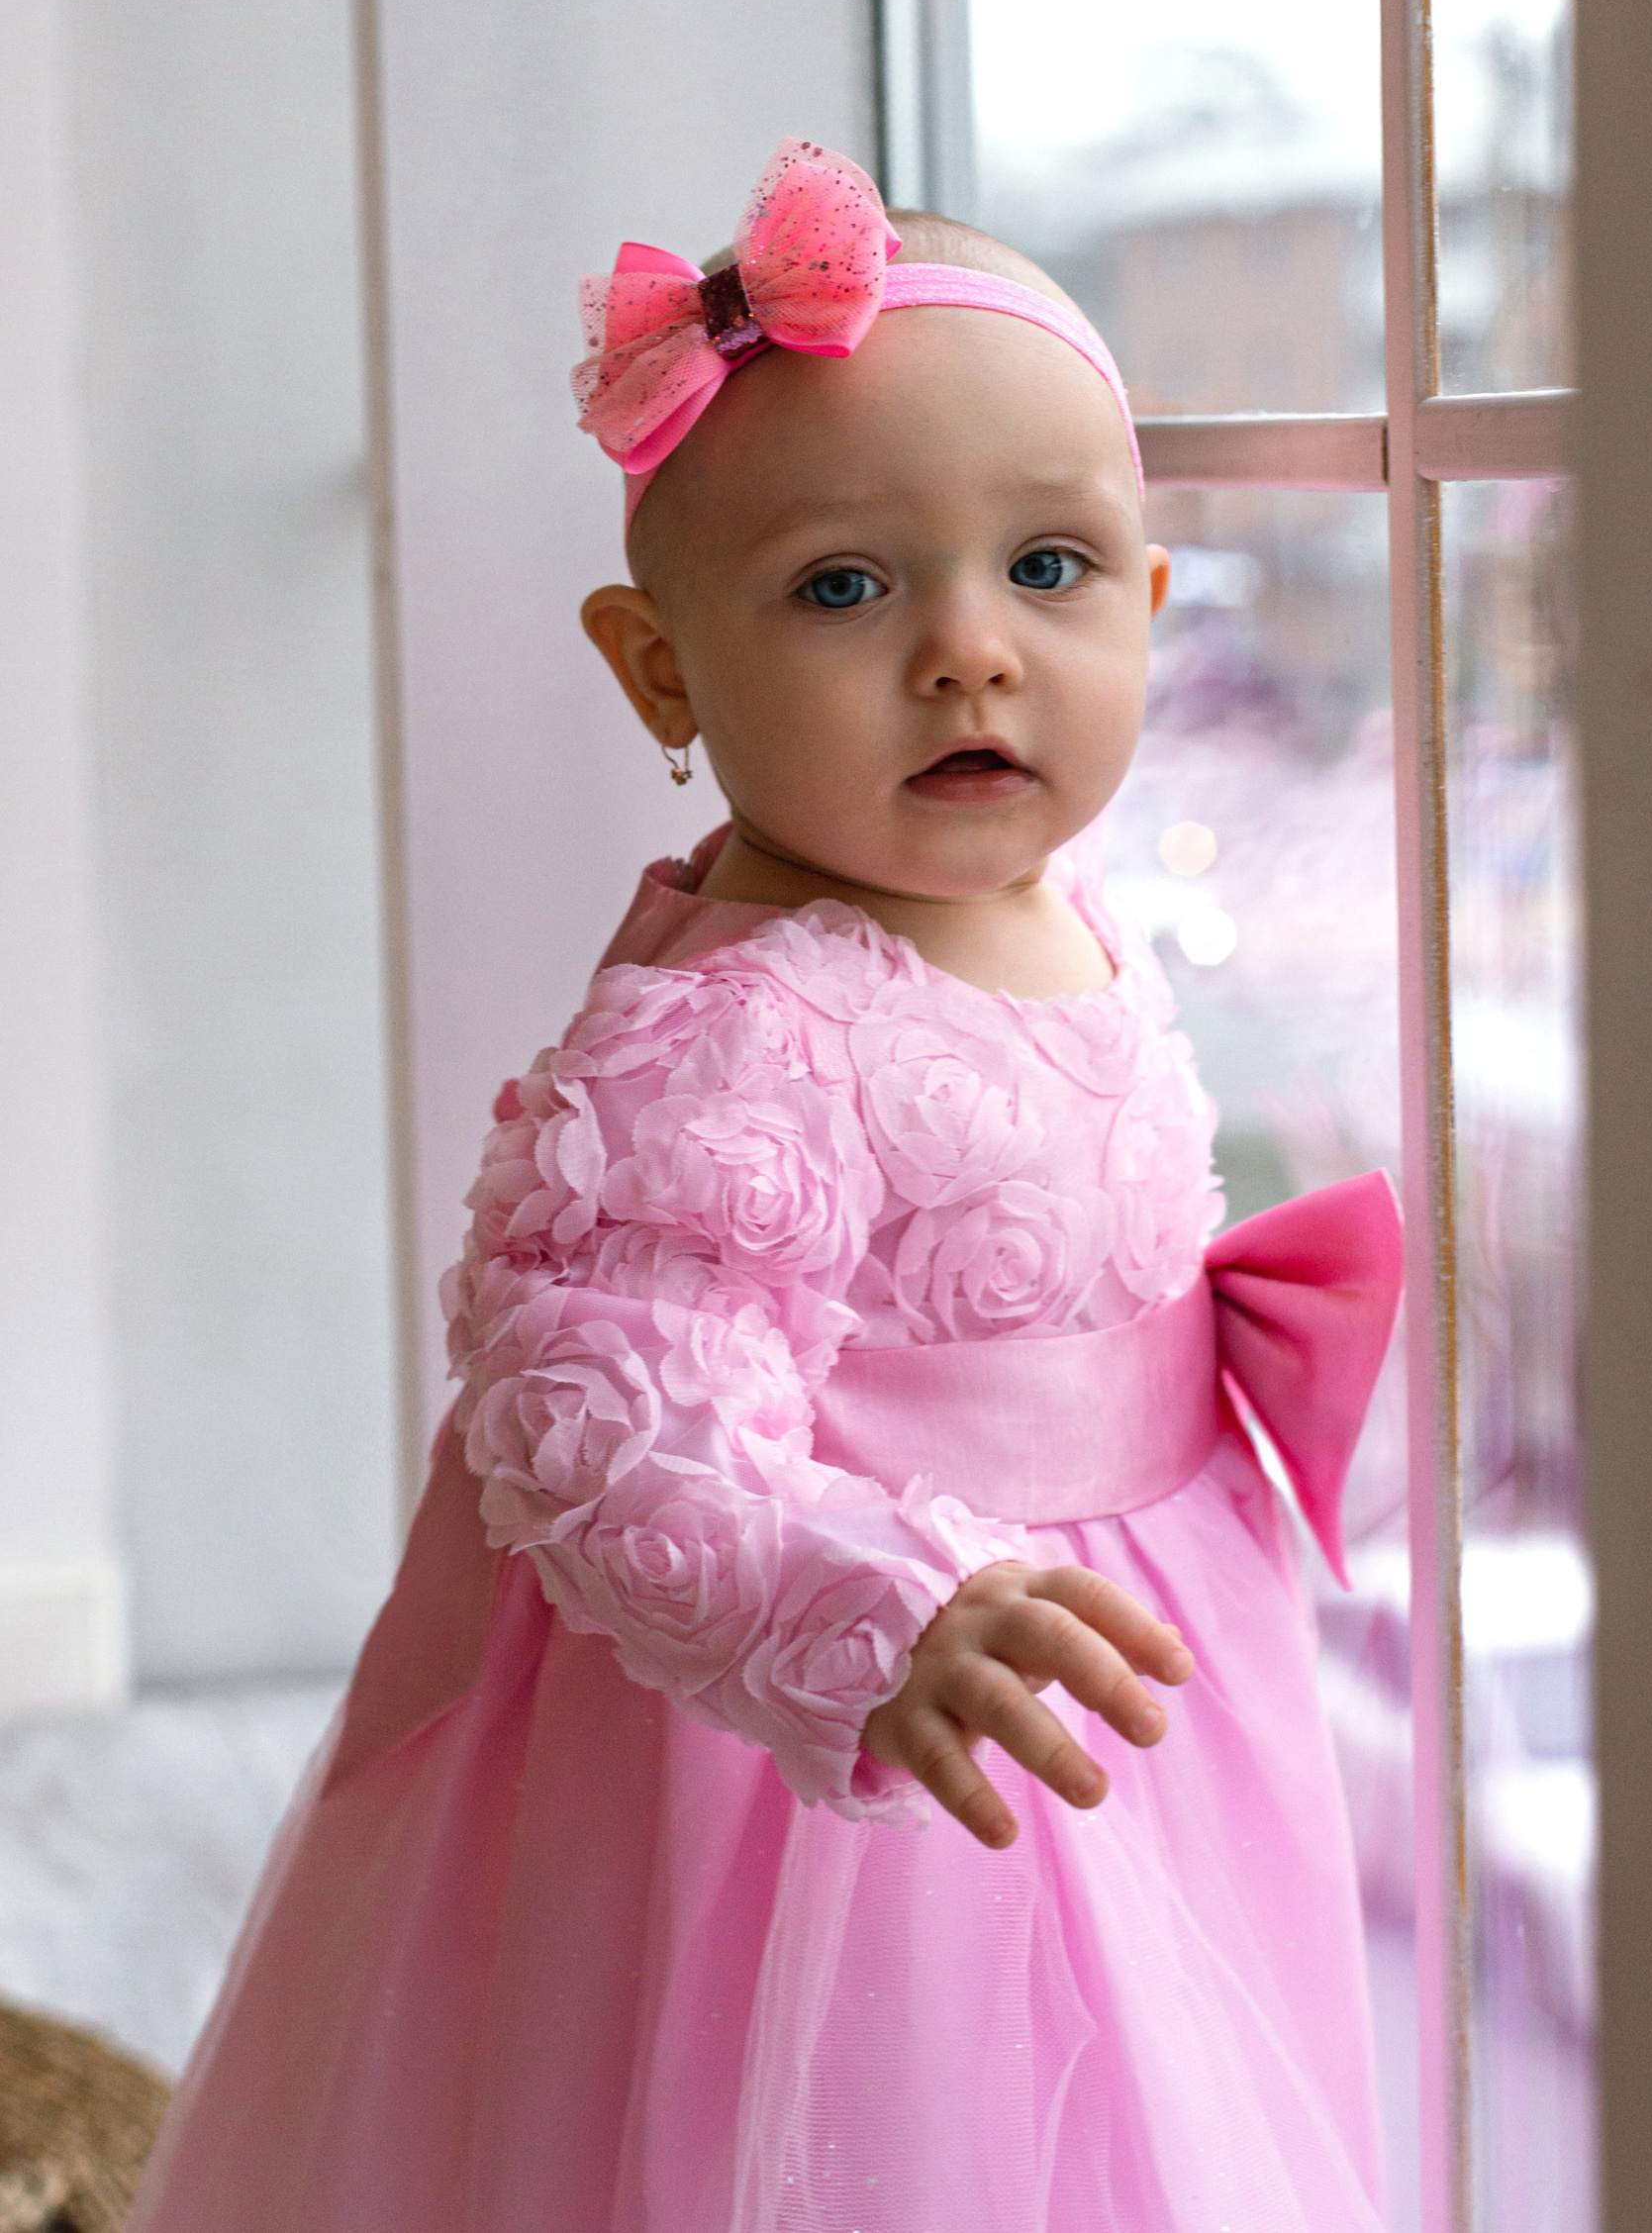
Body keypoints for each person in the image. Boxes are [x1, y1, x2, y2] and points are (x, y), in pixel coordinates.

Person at [129, 139, 1404, 2233]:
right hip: (858, 1747)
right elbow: (595, 1416)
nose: (970, 651)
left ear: (1155, 607)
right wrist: (869, 1614)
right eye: (843, 588)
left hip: (1116, 1668)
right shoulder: (741, 1032)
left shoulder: (1057, 897)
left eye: (1051, 569)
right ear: (662, 671)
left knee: (1172, 2111)